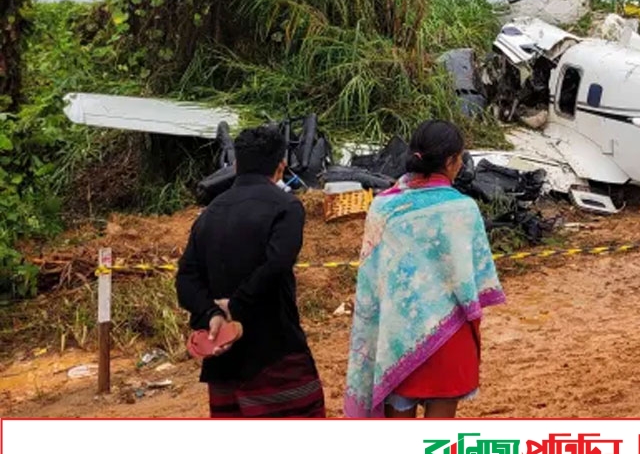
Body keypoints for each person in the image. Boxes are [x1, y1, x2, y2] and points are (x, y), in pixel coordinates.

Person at [343, 120, 506, 418]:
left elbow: (372, 280)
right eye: (460, 158)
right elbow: (476, 280)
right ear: (449, 161)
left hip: (396, 337)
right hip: (449, 337)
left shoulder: (382, 207)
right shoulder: (463, 209)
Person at [176, 125, 325, 418]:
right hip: (275, 355)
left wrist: (212, 314)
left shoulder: (209, 214)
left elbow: (186, 279)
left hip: (224, 362)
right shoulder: (287, 207)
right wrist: (237, 306)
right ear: (281, 166)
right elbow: (277, 264)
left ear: (237, 165)